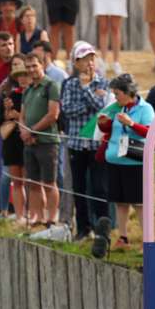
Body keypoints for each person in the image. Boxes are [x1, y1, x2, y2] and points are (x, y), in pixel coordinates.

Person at [61, 42, 109, 240]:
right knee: (79, 188)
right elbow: (67, 109)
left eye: (91, 58)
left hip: (97, 145)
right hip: (76, 144)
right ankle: (83, 228)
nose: (89, 62)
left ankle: (102, 230)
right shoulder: (69, 84)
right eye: (84, 59)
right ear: (76, 63)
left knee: (99, 188)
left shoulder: (103, 82)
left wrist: (87, 88)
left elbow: (101, 107)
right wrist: (88, 99)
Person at [100, 74, 154, 249]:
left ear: (128, 92)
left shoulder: (145, 108)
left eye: (117, 93)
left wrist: (131, 123)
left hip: (135, 163)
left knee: (139, 202)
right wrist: (103, 124)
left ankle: (147, 240)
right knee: (120, 202)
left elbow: (150, 133)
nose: (115, 97)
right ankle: (123, 238)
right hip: (115, 161)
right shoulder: (116, 108)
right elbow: (111, 130)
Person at [20, 52, 61, 227]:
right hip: (29, 143)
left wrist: (31, 131)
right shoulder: (27, 90)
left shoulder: (51, 86)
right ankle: (37, 216)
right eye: (28, 67)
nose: (31, 70)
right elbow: (22, 116)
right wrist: (24, 132)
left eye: (34, 66)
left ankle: (51, 218)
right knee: (33, 183)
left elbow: (53, 115)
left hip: (47, 143)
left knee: (49, 182)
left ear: (42, 65)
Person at [0, 52, 30, 225]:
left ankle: (31, 214)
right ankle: (11, 213)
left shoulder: (35, 92)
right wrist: (8, 113)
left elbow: (37, 117)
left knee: (30, 180)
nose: (20, 76)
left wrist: (17, 115)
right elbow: (1, 117)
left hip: (29, 141)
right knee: (12, 178)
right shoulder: (8, 93)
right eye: (15, 68)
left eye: (23, 71)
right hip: (11, 142)